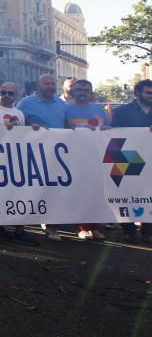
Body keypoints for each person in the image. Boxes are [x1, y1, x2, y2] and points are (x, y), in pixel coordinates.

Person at [0, 83, 37, 245]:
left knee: (19, 194)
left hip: (17, 158)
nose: (6, 95)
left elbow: (23, 134)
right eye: (3, 92)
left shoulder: (19, 113)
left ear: (17, 95)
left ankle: (20, 230)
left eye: (11, 93)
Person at [17, 74, 67, 241]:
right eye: (46, 83)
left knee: (55, 191)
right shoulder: (25, 103)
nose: (50, 86)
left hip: (57, 156)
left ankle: (52, 227)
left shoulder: (61, 104)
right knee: (31, 190)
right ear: (38, 85)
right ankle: (20, 227)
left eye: (53, 83)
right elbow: (17, 124)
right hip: (33, 155)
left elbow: (67, 126)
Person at [64, 79, 109, 241]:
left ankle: (93, 226)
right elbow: (60, 130)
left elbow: (107, 129)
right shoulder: (65, 108)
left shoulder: (99, 110)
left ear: (91, 92)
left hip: (96, 157)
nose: (82, 92)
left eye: (86, 89)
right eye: (79, 89)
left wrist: (106, 129)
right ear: (72, 91)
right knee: (79, 193)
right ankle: (81, 227)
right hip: (73, 157)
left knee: (95, 193)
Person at [111, 79, 152, 243]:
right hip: (128, 160)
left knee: (149, 195)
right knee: (127, 196)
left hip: (150, 162)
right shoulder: (122, 111)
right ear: (137, 93)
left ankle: (148, 231)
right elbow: (113, 136)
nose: (151, 96)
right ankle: (128, 230)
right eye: (148, 93)